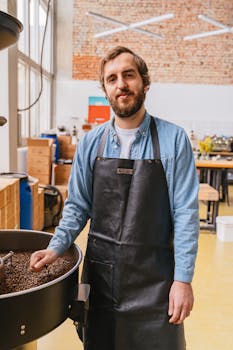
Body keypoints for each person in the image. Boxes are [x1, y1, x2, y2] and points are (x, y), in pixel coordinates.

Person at [30, 46, 199, 350]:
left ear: (144, 83)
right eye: (111, 79)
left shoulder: (174, 140)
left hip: (157, 281)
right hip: (103, 281)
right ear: (106, 90)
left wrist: (183, 280)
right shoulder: (91, 143)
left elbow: (185, 213)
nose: (120, 84)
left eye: (128, 75)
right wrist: (55, 247)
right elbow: (78, 206)